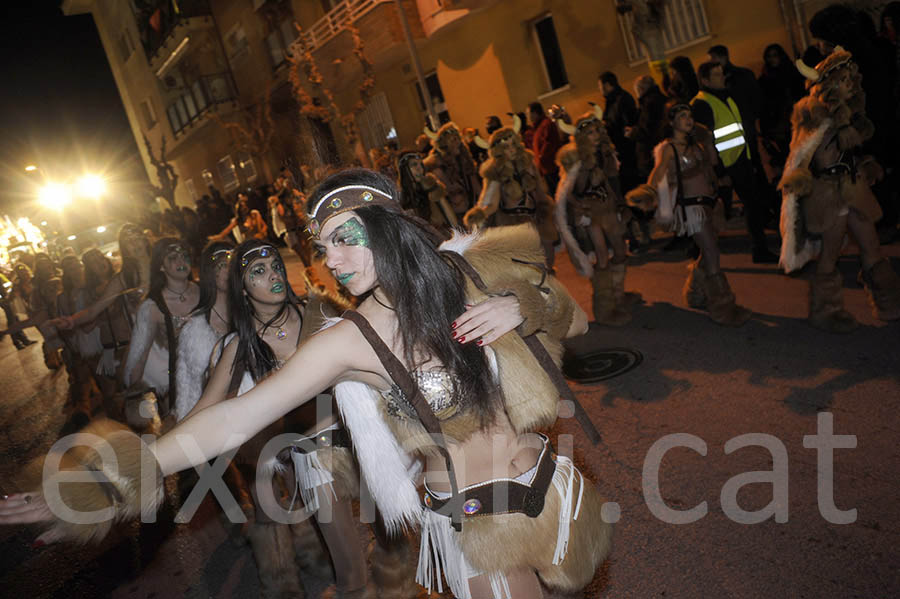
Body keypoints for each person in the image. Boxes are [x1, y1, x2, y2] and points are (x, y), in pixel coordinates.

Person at [3, 169, 612, 599]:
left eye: (345, 239)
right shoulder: (349, 340)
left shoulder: (466, 269)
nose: (333, 261)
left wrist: (521, 308)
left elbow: (577, 320)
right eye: (323, 248)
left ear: (388, 227)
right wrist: (103, 482)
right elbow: (233, 418)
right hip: (478, 522)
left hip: (546, 485)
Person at [183, 239, 370, 598]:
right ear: (241, 287)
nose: (274, 275)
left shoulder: (320, 309)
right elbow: (206, 406)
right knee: (349, 564)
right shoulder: (241, 345)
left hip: (366, 439)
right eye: (259, 271)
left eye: (275, 267)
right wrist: (151, 459)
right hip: (317, 456)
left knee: (397, 536)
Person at [780, 49, 900, 332]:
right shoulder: (812, 110)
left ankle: (888, 301)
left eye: (852, 80)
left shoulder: (852, 117)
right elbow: (804, 152)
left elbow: (852, 151)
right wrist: (800, 178)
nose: (850, 85)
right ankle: (827, 311)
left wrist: (867, 163)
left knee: (872, 246)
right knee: (830, 256)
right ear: (830, 82)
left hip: (852, 186)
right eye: (844, 80)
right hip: (827, 193)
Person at [627, 103, 751, 326]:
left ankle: (695, 292)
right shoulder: (669, 148)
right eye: (682, 116)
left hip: (710, 204)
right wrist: (648, 191)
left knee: (708, 250)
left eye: (690, 116)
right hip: (691, 208)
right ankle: (723, 307)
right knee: (712, 253)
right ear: (672, 122)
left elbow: (712, 164)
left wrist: (708, 140)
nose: (688, 119)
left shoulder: (697, 145)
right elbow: (658, 172)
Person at [556, 111, 639, 326]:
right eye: (590, 132)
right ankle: (605, 309)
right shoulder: (577, 159)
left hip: (608, 209)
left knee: (620, 251)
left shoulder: (605, 154)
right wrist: (578, 207)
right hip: (590, 215)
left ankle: (618, 297)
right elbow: (567, 192)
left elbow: (612, 184)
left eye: (597, 131)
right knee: (601, 256)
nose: (595, 135)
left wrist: (620, 205)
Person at [692, 61, 778, 263]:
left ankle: (759, 249)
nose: (723, 78)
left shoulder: (727, 97)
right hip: (723, 165)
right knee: (709, 211)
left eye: (722, 74)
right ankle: (699, 253)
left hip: (741, 160)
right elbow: (705, 142)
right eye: (717, 75)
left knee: (752, 204)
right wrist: (720, 172)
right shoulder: (701, 104)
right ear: (705, 80)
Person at [122, 239, 199, 417]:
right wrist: (135, 396)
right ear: (161, 266)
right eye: (173, 257)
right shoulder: (152, 307)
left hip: (214, 376)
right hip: (180, 386)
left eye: (184, 256)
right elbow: (139, 355)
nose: (181, 261)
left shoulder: (205, 292)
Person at [464, 127, 556, 268]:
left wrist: (548, 210)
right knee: (529, 266)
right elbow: (491, 203)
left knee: (548, 259)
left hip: (536, 218)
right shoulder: (496, 172)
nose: (512, 149)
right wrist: (479, 215)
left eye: (513, 145)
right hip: (515, 225)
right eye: (506, 147)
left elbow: (541, 192)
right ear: (499, 152)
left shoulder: (528, 163)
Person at [174, 241, 233, 420]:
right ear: (210, 272)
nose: (230, 270)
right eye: (223, 265)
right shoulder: (194, 328)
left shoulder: (254, 315)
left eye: (235, 264)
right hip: (211, 420)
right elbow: (187, 387)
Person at [758, 44, 808, 171]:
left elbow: (801, 94)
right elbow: (764, 105)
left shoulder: (792, 73)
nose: (772, 59)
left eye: (775, 56)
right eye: (769, 57)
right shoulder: (764, 79)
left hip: (797, 119)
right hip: (779, 125)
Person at [423, 122, 482, 222]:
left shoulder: (464, 159)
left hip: (470, 209)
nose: (457, 142)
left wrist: (482, 205)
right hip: (451, 214)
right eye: (453, 140)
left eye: (458, 138)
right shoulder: (436, 166)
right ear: (444, 144)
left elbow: (475, 185)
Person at [396, 149, 458, 231]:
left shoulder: (430, 188)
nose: (420, 169)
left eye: (421, 164)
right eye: (414, 165)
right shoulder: (399, 198)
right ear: (404, 170)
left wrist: (435, 190)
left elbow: (453, 222)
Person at [599, 71, 639, 191]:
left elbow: (626, 125)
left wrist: (609, 126)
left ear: (607, 85)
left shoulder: (621, 99)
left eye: (600, 86)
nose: (600, 90)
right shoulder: (612, 100)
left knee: (631, 183)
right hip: (621, 150)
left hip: (626, 151)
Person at [529, 101, 565, 195]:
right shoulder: (539, 127)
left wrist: (541, 158)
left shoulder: (546, 125)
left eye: (529, 114)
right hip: (546, 168)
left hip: (551, 167)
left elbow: (548, 144)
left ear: (535, 113)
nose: (529, 117)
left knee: (558, 192)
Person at [0, 270, 35, 350]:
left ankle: (24, 340)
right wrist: (6, 299)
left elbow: (8, 286)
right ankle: (17, 342)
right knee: (12, 320)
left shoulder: (1, 275)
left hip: (8, 300)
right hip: (6, 301)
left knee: (15, 319)